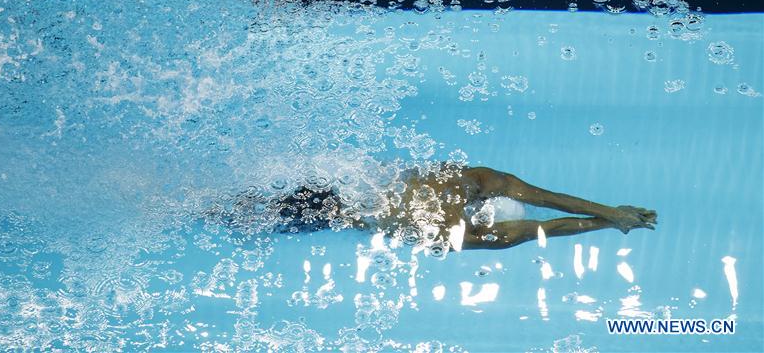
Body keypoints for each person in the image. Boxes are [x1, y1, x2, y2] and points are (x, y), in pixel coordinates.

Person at [268, 163, 657, 251]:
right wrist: (608, 220)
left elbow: (547, 201)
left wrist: (610, 212)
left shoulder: (474, 181)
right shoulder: (470, 235)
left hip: (335, 191)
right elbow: (549, 224)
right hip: (335, 216)